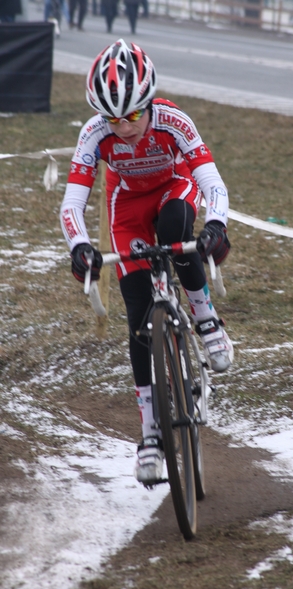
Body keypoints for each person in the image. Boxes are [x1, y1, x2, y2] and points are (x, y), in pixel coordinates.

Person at [60, 39, 233, 486]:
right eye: (114, 119)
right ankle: (151, 433)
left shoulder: (174, 120)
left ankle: (205, 316)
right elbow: (72, 204)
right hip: (128, 210)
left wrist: (216, 226)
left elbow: (212, 182)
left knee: (177, 230)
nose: (125, 127)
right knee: (138, 315)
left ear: (149, 102)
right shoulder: (95, 134)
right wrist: (80, 246)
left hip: (174, 189)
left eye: (134, 115)